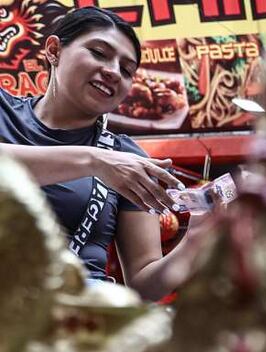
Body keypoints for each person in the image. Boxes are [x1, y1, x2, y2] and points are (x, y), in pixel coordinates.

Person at [0, 7, 205, 301]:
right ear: (54, 49)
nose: (112, 72)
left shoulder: (128, 158)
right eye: (99, 52)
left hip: (73, 323)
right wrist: (94, 161)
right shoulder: (3, 111)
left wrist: (193, 242)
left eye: (126, 70)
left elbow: (144, 283)